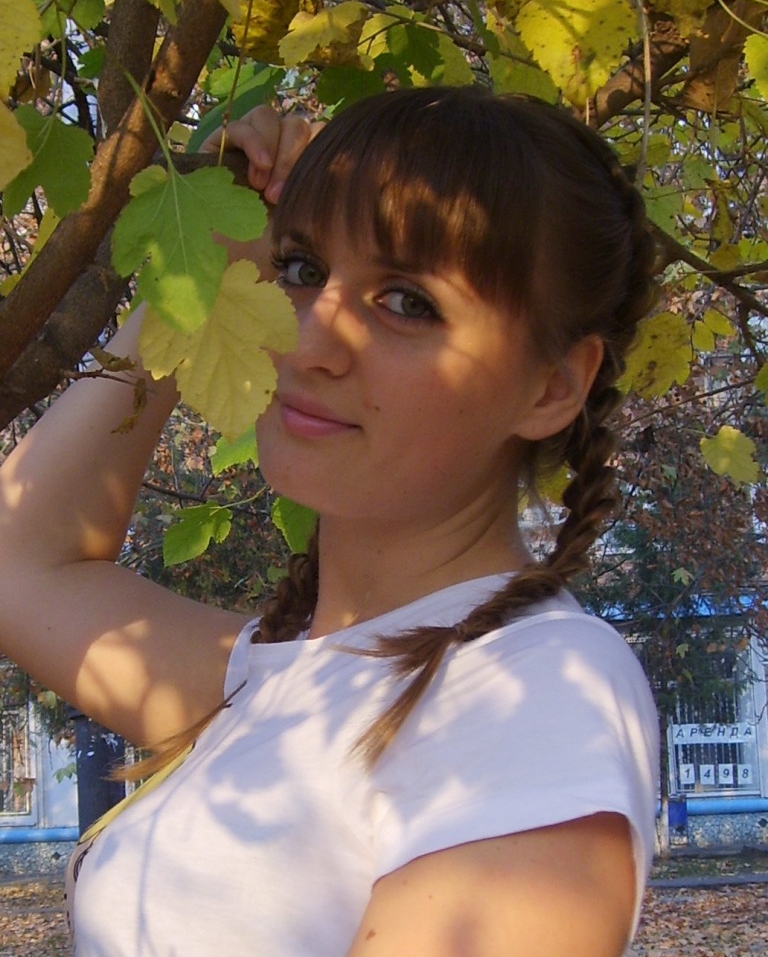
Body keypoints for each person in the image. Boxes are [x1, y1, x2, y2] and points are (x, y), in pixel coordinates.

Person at [0, 85, 660, 957]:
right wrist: (209, 250)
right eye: (304, 271)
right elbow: (18, 555)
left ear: (553, 386)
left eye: (409, 303)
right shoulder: (263, 680)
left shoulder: (533, 689)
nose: (308, 340)